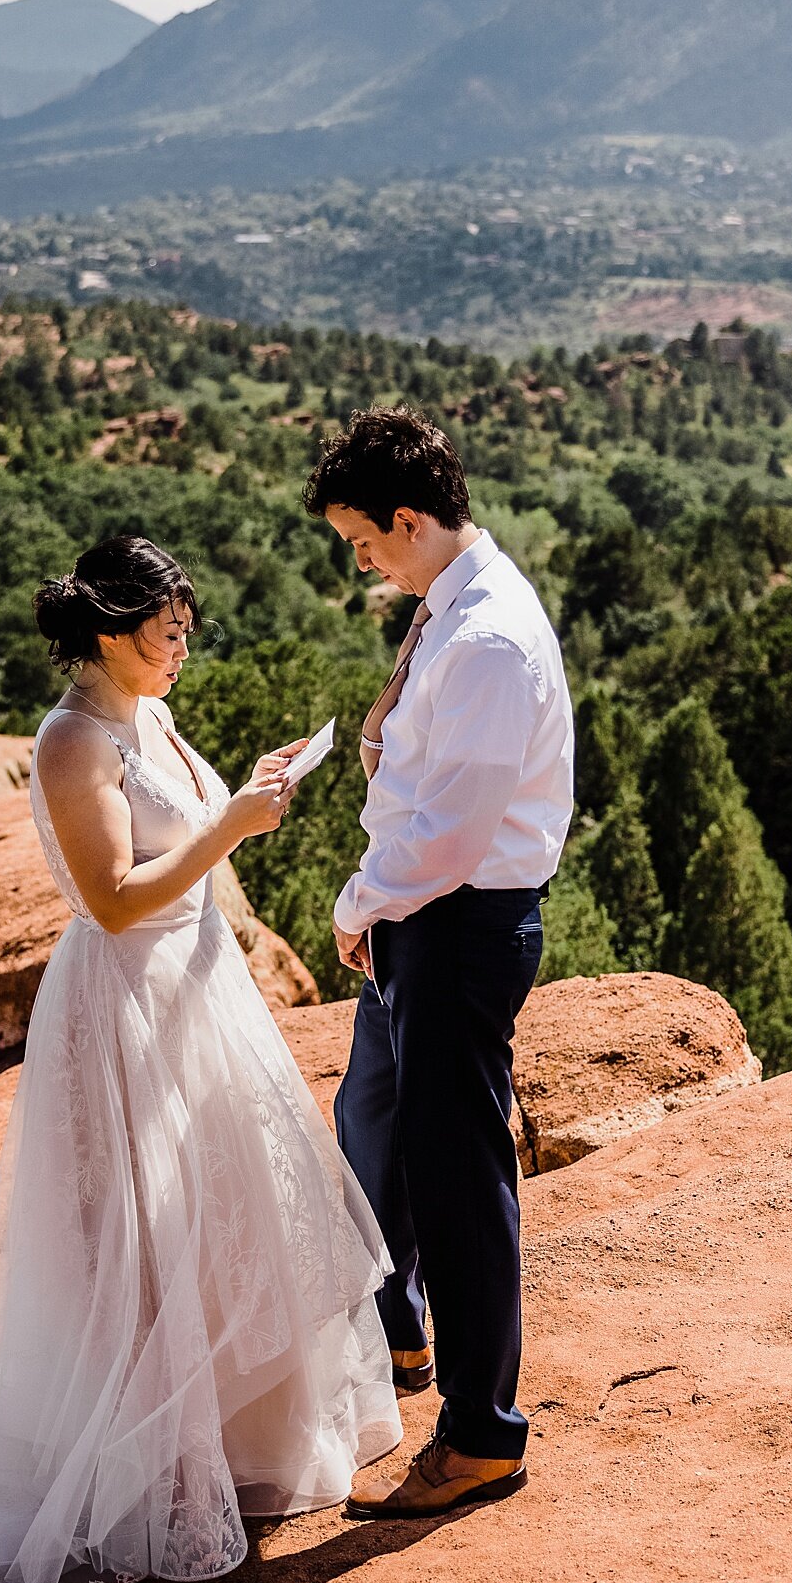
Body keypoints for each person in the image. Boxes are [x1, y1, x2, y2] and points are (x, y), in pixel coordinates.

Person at [0, 534, 399, 1583]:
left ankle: (230, 1440)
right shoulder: (74, 740)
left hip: (197, 985)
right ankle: (147, 1468)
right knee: (145, 1232)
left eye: (185, 628)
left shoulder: (145, 713)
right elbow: (115, 896)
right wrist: (234, 825)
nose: (182, 647)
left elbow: (184, 838)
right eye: (168, 630)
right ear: (112, 632)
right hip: (127, 1000)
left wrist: (247, 797)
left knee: (221, 1213)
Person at [306, 410, 574, 1520]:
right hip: (423, 917)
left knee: (458, 1173)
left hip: (455, 924)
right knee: (373, 1116)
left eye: (362, 539)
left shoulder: (487, 640)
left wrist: (358, 902)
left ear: (408, 519)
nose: (358, 560)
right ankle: (399, 1328)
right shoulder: (451, 612)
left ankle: (480, 1435)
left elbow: (455, 834)